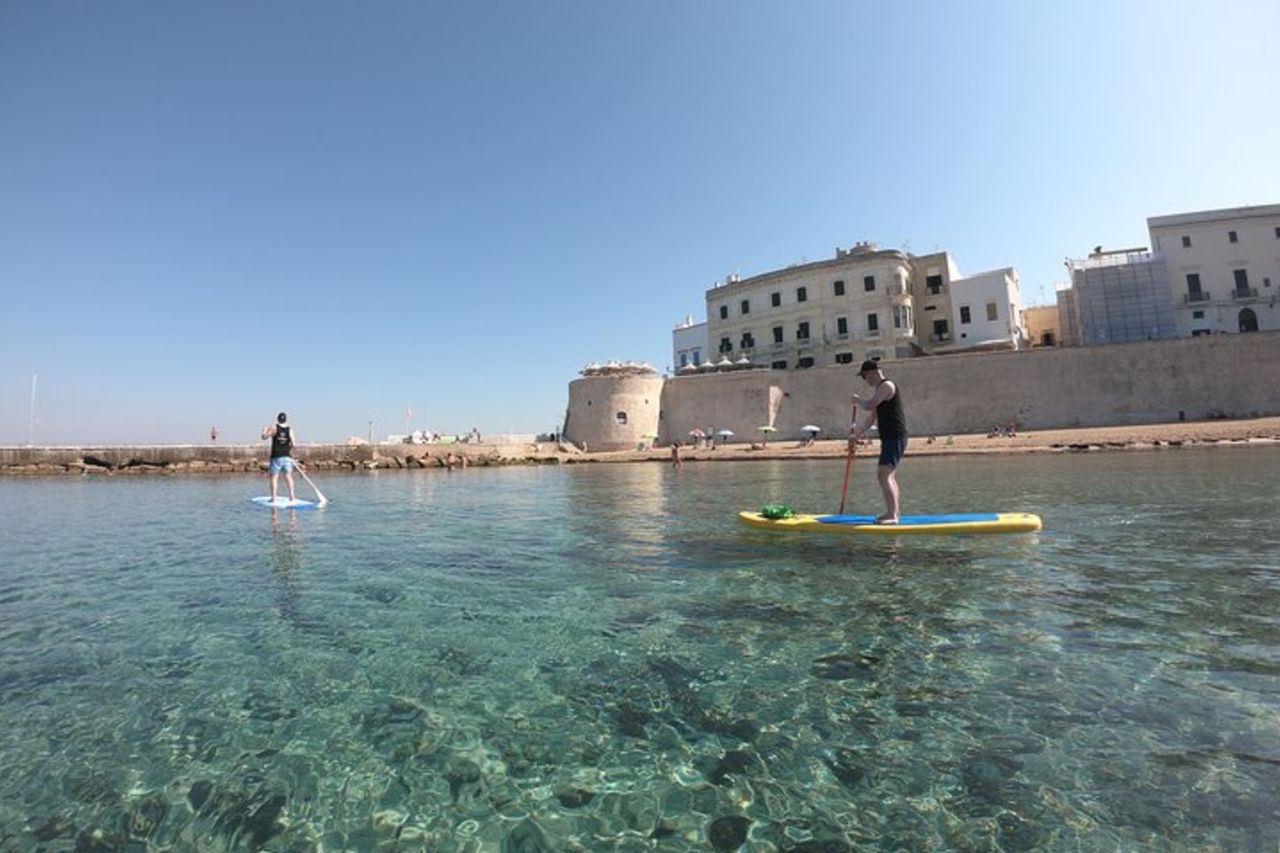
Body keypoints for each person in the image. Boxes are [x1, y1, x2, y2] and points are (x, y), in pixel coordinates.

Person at [849, 359, 907, 524]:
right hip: (889, 437)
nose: (865, 380)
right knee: (889, 476)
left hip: (895, 436)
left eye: (864, 376)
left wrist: (857, 400)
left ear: (872, 373)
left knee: (884, 474)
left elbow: (869, 405)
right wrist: (856, 435)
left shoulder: (887, 386)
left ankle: (892, 516)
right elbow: (871, 418)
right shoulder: (879, 390)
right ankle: (894, 513)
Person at [261, 412, 298, 502]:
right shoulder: (289, 429)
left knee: (274, 477)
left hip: (276, 456)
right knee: (288, 476)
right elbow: (294, 444)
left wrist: (264, 431)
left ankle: (274, 498)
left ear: (278, 419)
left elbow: (264, 437)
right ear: (285, 419)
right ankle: (292, 497)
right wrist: (288, 450)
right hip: (287, 456)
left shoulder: (274, 427)